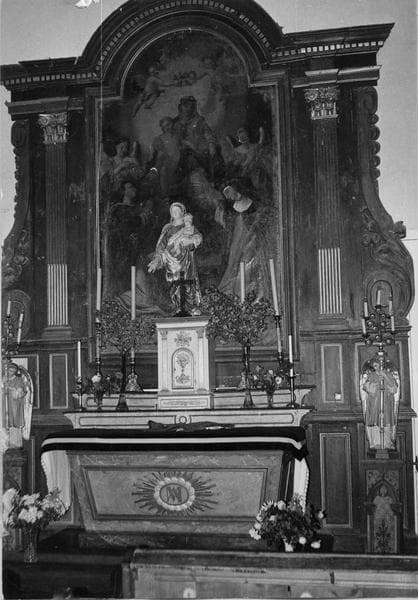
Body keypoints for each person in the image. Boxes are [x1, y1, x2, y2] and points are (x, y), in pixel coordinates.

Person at [148, 203, 202, 315]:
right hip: (171, 262)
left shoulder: (188, 227)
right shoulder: (167, 228)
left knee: (187, 283)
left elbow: (198, 237)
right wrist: (157, 260)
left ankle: (191, 307)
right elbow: (161, 247)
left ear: (183, 212)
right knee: (175, 284)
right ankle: (179, 307)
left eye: (177, 211)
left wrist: (190, 241)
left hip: (186, 261)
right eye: (173, 211)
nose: (175, 213)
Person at [360, 357, 400, 449]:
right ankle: (375, 443)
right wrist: (377, 383)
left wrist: (385, 377)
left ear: (381, 365)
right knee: (375, 421)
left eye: (377, 365)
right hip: (374, 403)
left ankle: (386, 443)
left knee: (386, 421)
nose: (376, 367)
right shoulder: (372, 375)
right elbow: (366, 387)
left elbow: (394, 388)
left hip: (386, 403)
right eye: (374, 366)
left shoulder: (388, 374)